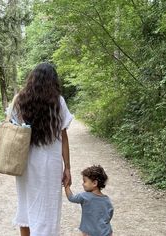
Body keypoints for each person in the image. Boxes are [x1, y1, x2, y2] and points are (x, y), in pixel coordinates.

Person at [6, 63, 73, 236]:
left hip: (25, 161)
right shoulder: (58, 101)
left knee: (26, 204)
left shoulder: (20, 100)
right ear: (53, 81)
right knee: (49, 206)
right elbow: (63, 137)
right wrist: (68, 167)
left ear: (32, 78)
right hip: (51, 163)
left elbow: (13, 128)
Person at [65, 165, 114, 236]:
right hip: (106, 232)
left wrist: (67, 186)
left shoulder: (85, 196)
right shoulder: (106, 199)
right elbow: (110, 214)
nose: (83, 184)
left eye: (85, 181)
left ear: (94, 183)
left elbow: (71, 198)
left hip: (90, 232)